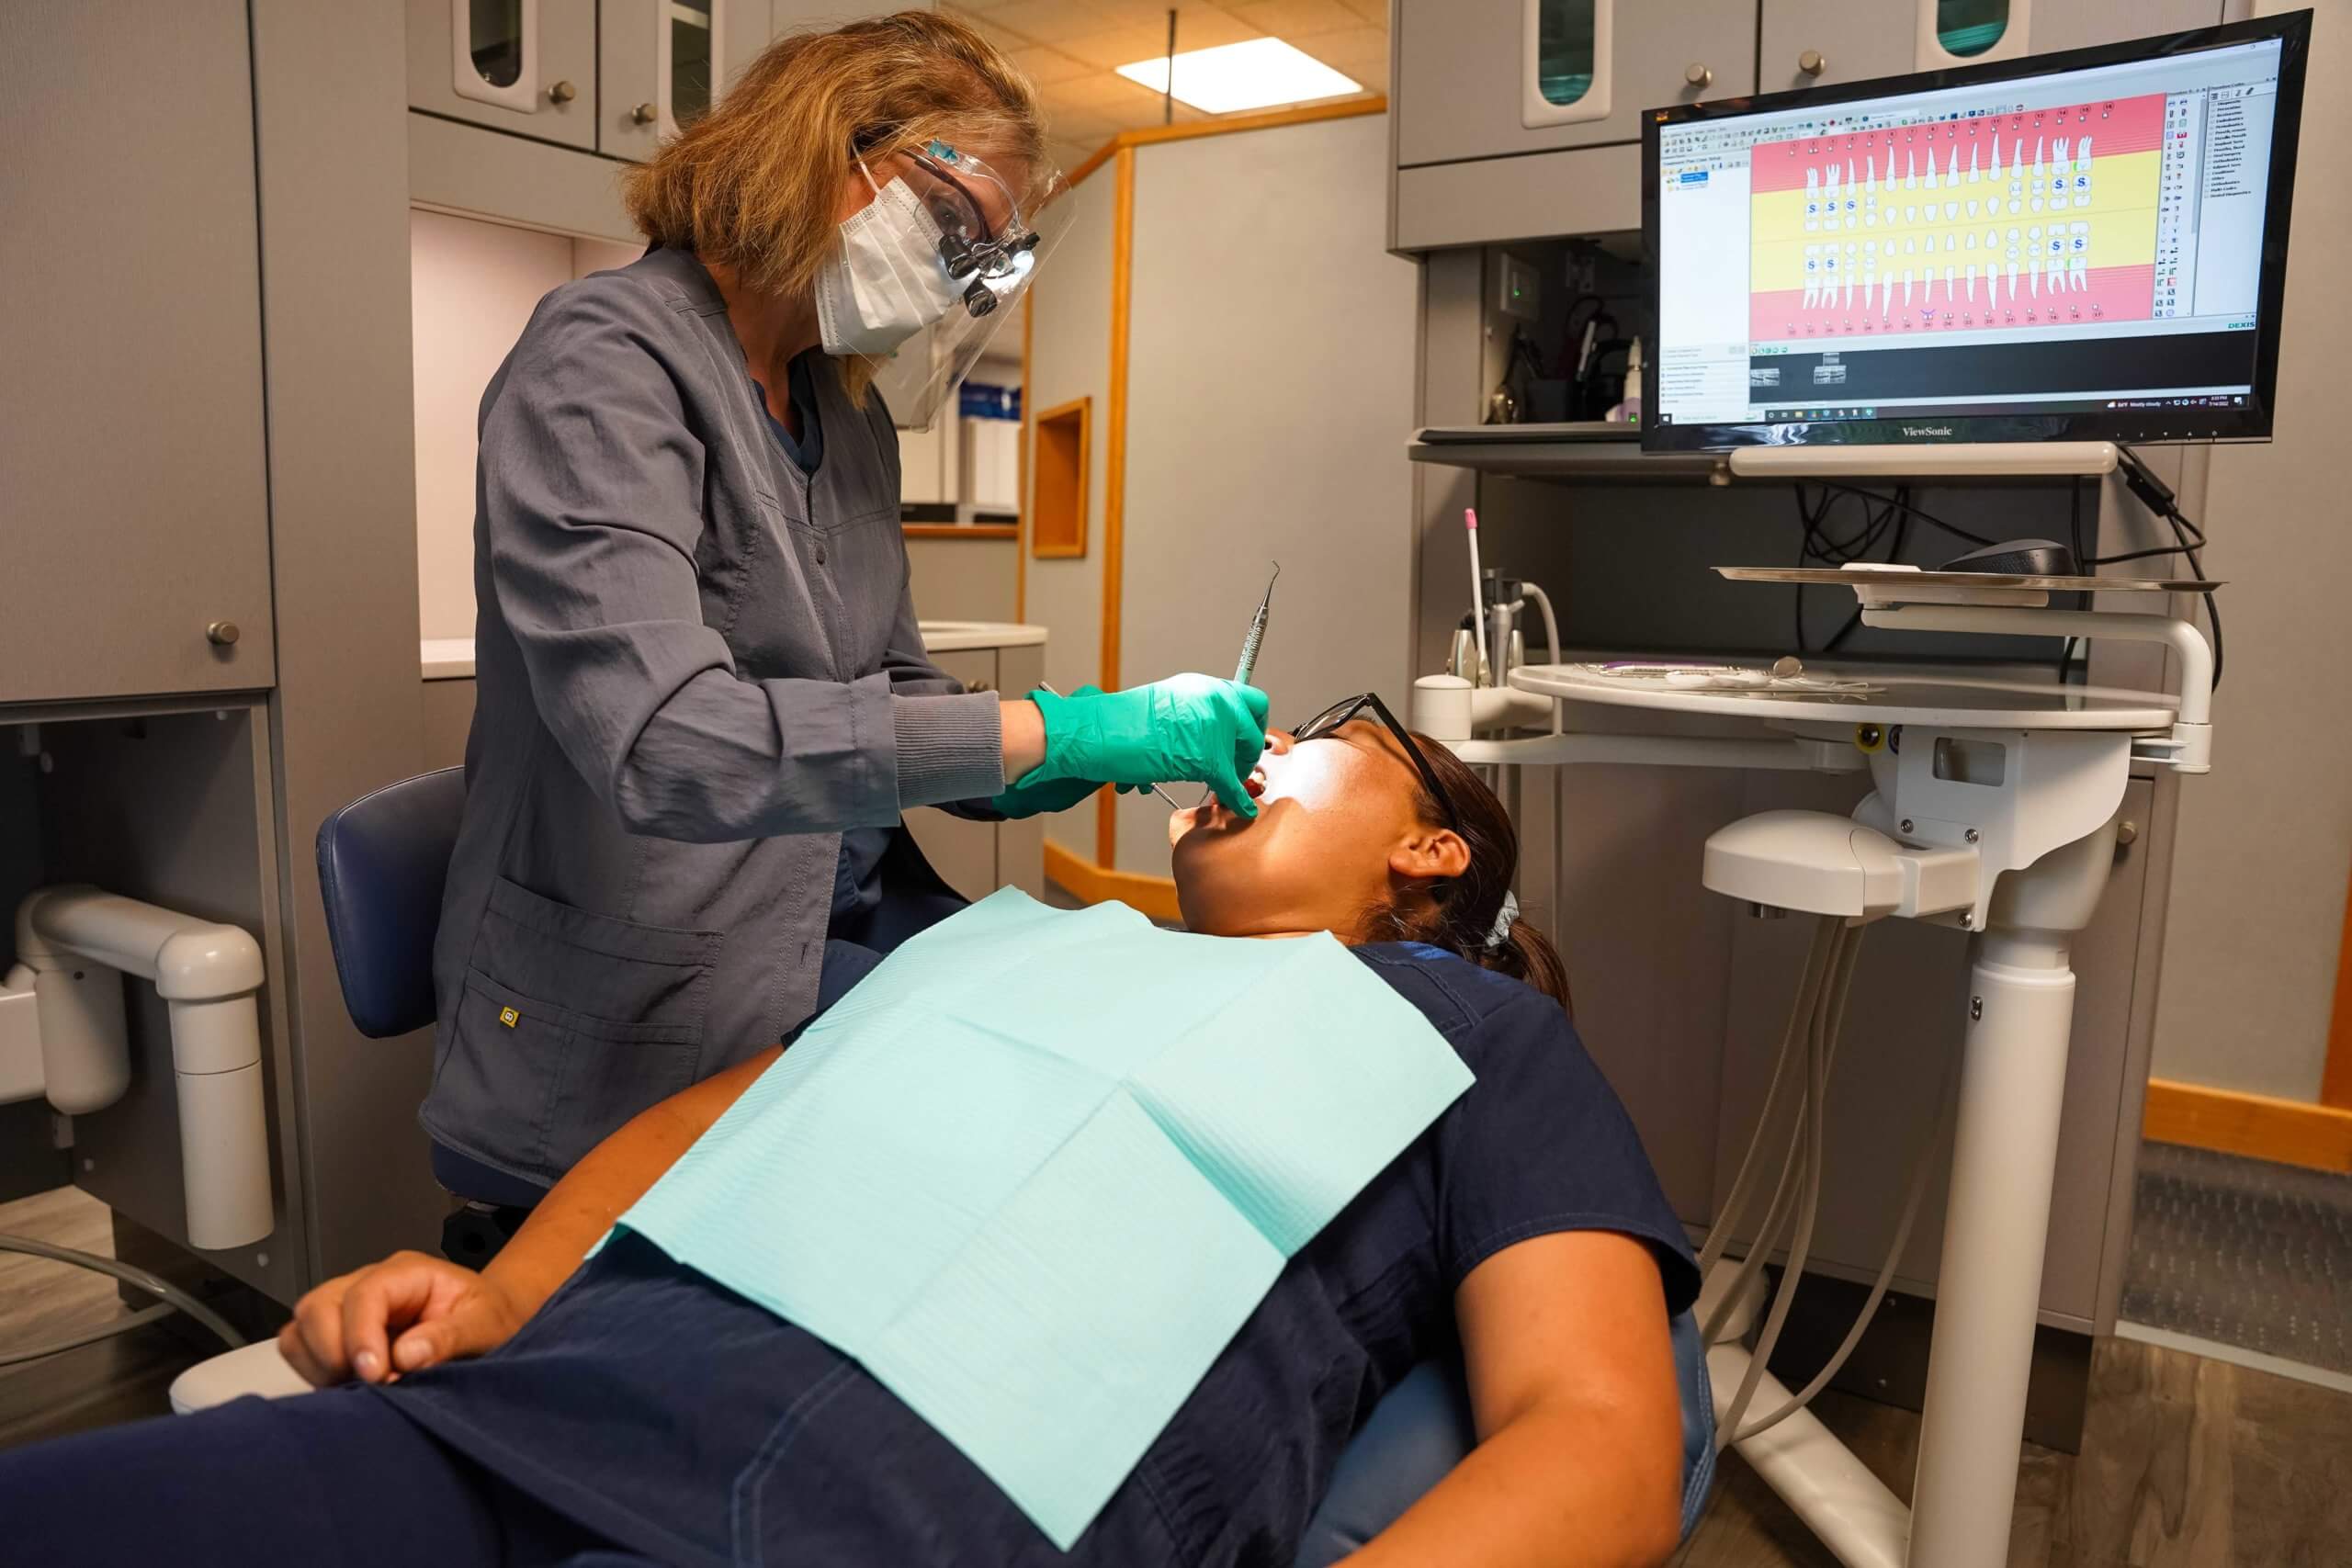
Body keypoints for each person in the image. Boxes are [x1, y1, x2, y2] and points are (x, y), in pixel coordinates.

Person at [0, 695, 1701, 1568]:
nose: (1267, 749)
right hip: (519, 1422)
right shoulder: (1014, 938)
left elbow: (1603, 1437)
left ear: (1435, 857)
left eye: (1329, 740)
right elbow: (718, 1117)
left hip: (911, 1515)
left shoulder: (1473, 1037)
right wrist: (504, 1296)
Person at [429, 12, 1270, 1205]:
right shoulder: (603, 362)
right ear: (827, 150)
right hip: (653, 996)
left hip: (841, 932)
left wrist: (1099, 740)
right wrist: (1056, 731)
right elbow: (676, 746)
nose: (957, 276)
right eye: (956, 228)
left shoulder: (849, 419)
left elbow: (894, 695)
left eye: (991, 257)